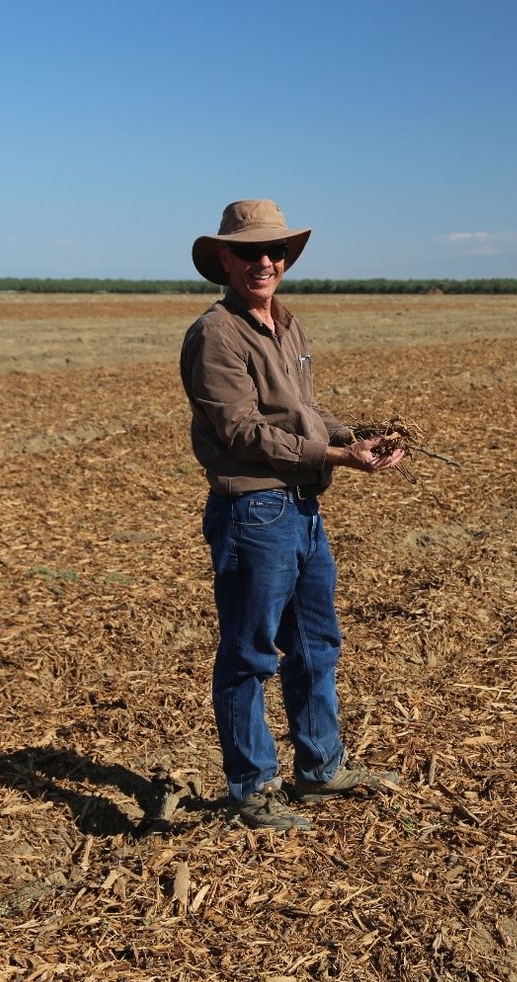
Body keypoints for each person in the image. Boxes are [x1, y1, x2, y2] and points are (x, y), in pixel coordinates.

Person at [180, 199, 405, 831]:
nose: (263, 262)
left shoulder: (286, 323)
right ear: (224, 257)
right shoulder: (215, 335)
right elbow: (244, 433)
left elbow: (302, 411)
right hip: (253, 507)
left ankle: (319, 770)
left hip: (303, 505)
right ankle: (252, 788)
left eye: (273, 251)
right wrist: (337, 453)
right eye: (248, 251)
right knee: (250, 654)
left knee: (314, 644)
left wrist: (358, 436)